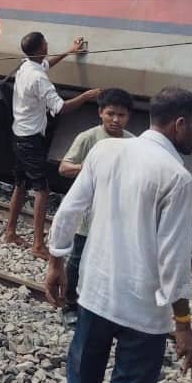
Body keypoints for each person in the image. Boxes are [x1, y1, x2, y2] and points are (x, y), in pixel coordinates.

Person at [32, 88, 192, 383]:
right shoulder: (176, 177)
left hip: (95, 295)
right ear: (179, 124)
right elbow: (173, 258)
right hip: (143, 314)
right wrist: (183, 324)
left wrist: (55, 262)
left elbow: (68, 211)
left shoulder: (105, 150)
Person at [4, 32, 101, 258]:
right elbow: (60, 108)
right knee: (42, 189)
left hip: (18, 132)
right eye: (45, 43)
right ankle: (38, 245)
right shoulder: (39, 79)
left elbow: (46, 64)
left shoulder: (25, 65)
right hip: (31, 139)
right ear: (39, 49)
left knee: (20, 183)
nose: (48, 45)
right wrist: (86, 96)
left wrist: (69, 51)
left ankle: (10, 231)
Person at [57, 87, 136, 323]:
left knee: (108, 260)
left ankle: (98, 305)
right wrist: (91, 168)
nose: (115, 119)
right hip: (88, 215)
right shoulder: (88, 138)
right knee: (77, 259)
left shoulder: (133, 142)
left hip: (116, 214)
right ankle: (69, 304)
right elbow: (64, 167)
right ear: (100, 112)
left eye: (121, 115)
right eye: (111, 113)